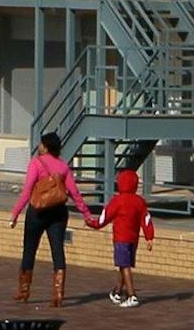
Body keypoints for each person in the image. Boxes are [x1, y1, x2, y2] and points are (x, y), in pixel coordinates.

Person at [9, 130, 92, 308]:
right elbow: (75, 193)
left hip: (37, 212)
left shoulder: (36, 163)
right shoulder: (63, 166)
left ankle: (24, 291)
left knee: (29, 250)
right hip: (58, 213)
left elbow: (27, 192)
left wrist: (15, 214)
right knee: (58, 252)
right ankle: (58, 294)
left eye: (41, 144)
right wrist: (86, 214)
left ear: (45, 147)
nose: (39, 146)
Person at [91, 167, 156, 308]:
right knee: (123, 264)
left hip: (121, 238)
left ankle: (132, 295)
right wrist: (149, 237)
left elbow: (105, 217)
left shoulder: (117, 201)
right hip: (134, 239)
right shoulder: (139, 202)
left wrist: (93, 224)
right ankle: (117, 292)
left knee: (124, 265)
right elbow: (146, 220)